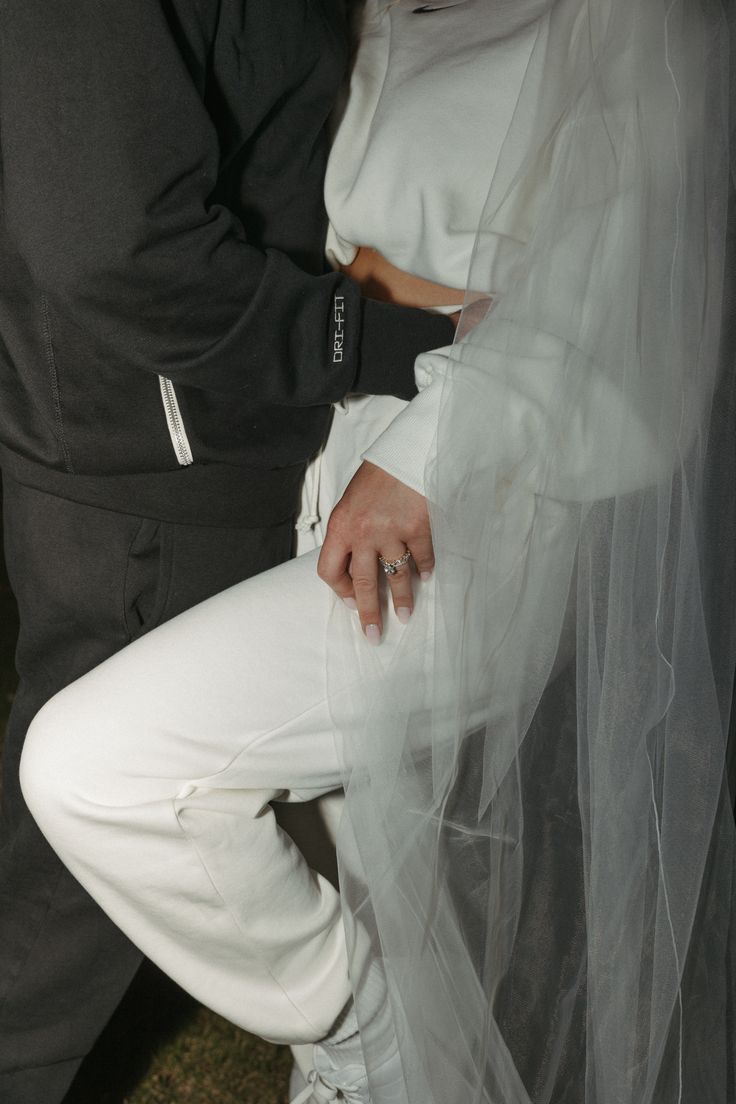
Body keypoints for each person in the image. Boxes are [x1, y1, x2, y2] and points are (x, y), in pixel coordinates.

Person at [19, 0, 736, 1102]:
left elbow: (625, 312)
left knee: (101, 766)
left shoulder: (647, 31)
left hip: (476, 505)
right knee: (345, 858)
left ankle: (365, 1037)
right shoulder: (390, 12)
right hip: (323, 465)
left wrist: (430, 450)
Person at [0, 2, 457, 1101]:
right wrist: (386, 342)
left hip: (197, 425)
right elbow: (112, 247)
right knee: (73, 883)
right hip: (159, 457)